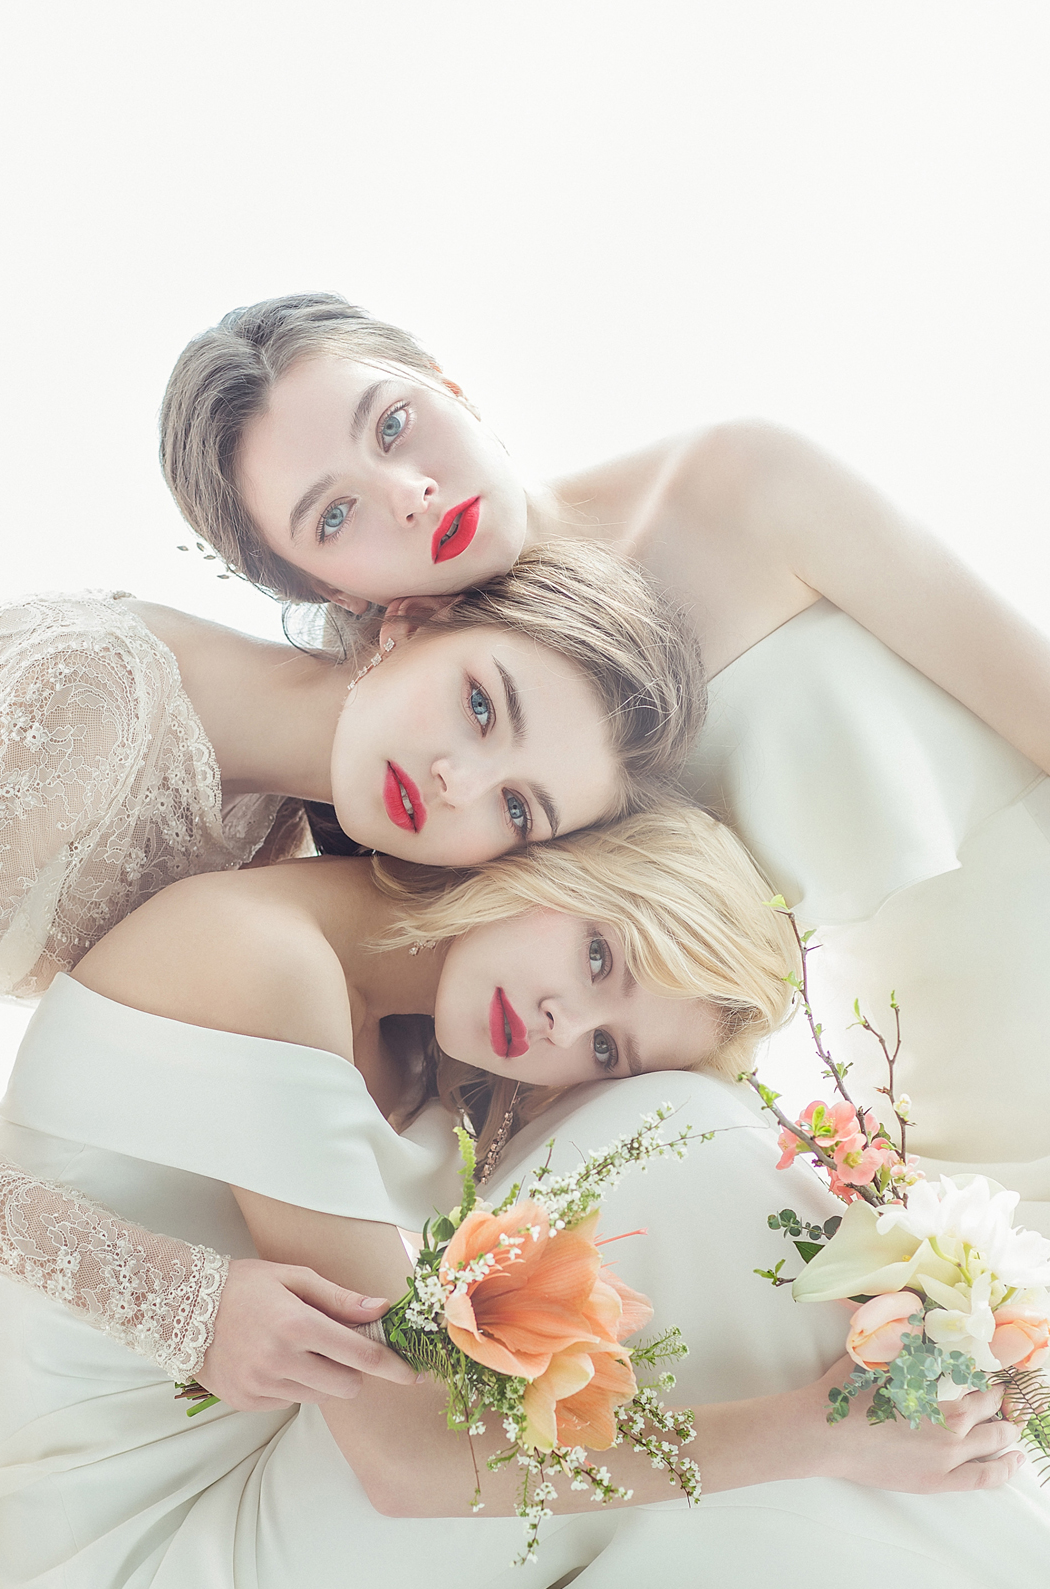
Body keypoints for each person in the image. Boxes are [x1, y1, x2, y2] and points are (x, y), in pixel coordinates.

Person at [0, 804, 1040, 1589]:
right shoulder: (255, 960)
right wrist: (812, 1433)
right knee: (683, 1138)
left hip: (259, 1516)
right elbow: (405, 1463)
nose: (558, 1023)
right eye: (598, 953)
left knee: (691, 1155)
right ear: (560, 862)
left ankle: (987, 1581)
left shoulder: (418, 1039)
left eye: (603, 1041)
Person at [0, 546, 699, 1405]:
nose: (459, 780)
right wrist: (185, 1307)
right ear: (410, 622)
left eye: (517, 809)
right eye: (483, 706)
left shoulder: (279, 837)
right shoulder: (90, 689)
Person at [161, 293, 1050, 1192]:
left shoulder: (739, 487)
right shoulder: (446, 787)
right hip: (913, 1136)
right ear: (335, 591)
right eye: (333, 516)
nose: (407, 494)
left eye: (393, 424)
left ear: (450, 386)